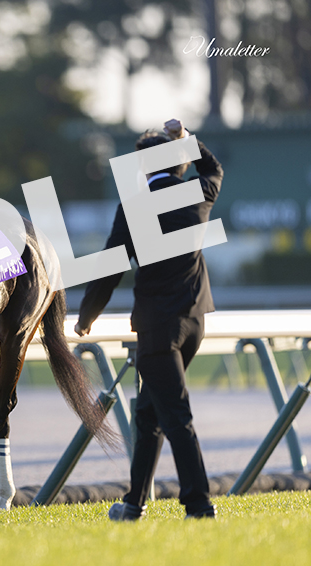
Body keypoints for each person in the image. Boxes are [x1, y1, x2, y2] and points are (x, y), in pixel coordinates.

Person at [74, 119, 223, 520]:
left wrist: (87, 315)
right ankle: (134, 502)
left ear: (143, 166)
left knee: (175, 415)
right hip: (195, 322)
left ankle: (199, 504)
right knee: (149, 413)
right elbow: (214, 169)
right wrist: (186, 138)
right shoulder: (197, 195)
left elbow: (110, 267)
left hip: (158, 327)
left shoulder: (134, 207)